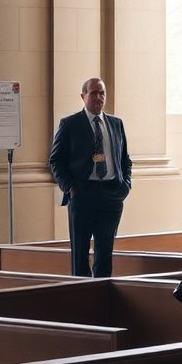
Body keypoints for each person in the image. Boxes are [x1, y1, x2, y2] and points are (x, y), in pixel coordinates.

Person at [48, 78, 132, 277]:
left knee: (105, 253)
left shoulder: (116, 123)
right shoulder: (69, 124)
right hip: (82, 193)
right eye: (94, 93)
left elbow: (125, 159)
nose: (99, 97)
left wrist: (125, 185)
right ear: (83, 96)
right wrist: (69, 187)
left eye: (102, 93)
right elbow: (55, 160)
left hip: (112, 195)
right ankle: (82, 298)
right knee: (80, 254)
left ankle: (102, 298)